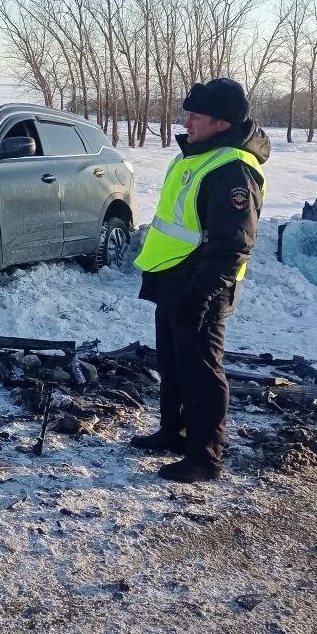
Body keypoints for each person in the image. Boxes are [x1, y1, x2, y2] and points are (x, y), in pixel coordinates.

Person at [130, 78, 269, 483]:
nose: (187, 120)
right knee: (172, 363)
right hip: (172, 276)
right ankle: (174, 433)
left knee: (203, 372)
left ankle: (205, 456)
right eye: (187, 113)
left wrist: (202, 295)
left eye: (196, 115)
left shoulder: (233, 170)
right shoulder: (198, 155)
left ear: (222, 123)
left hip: (200, 285)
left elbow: (233, 244)